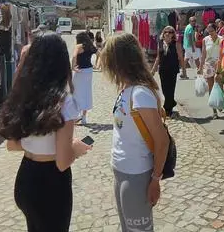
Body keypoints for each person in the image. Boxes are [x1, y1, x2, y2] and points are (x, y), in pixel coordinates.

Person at [0, 32, 92, 231]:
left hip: (25, 178)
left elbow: (11, 145)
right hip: (51, 183)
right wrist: (75, 148)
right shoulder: (64, 102)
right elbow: (62, 162)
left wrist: (38, 142)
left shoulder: (24, 96)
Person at [98, 33, 169, 232]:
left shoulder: (140, 94)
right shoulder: (126, 89)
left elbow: (162, 141)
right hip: (121, 171)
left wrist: (155, 180)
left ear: (118, 62)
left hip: (136, 174)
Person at [150, 26, 183, 117]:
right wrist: (153, 70)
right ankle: (171, 103)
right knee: (164, 90)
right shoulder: (160, 43)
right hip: (163, 70)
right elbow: (158, 58)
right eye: (166, 32)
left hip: (172, 69)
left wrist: (184, 70)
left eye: (170, 32)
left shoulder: (176, 44)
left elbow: (180, 57)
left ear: (173, 35)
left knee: (170, 90)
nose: (168, 34)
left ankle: (168, 110)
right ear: (163, 34)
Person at [72, 31, 97, 125]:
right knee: (86, 92)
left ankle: (76, 115)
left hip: (80, 71)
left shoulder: (78, 46)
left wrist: (73, 67)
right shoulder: (90, 46)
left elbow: (74, 56)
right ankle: (84, 117)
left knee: (75, 92)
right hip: (89, 71)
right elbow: (100, 53)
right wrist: (97, 64)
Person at [198, 23, 222, 118]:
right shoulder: (205, 40)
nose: (210, 33)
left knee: (220, 86)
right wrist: (200, 67)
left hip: (218, 65)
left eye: (212, 31)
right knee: (211, 88)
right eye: (208, 31)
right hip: (208, 65)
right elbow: (203, 54)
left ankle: (220, 102)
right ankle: (214, 111)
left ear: (216, 29)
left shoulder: (221, 39)